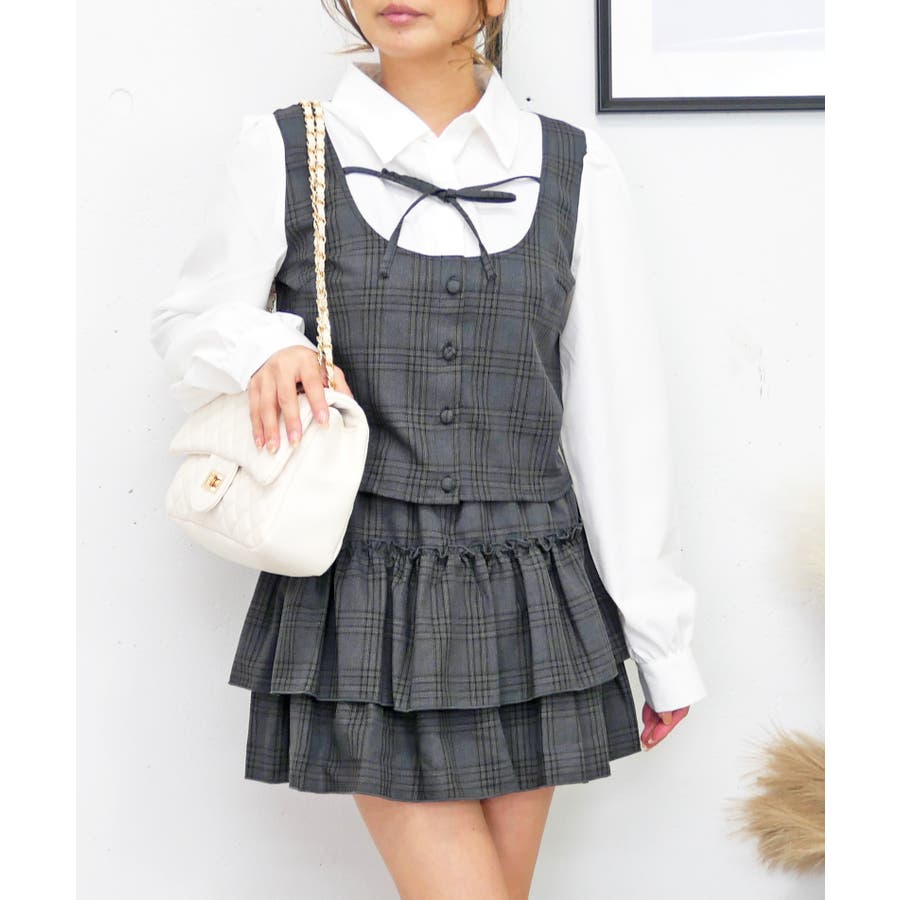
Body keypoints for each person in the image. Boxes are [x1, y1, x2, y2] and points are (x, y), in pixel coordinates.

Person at [149, 1, 708, 896]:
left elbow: (619, 416)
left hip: (531, 585)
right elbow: (187, 321)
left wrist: (660, 639)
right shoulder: (288, 148)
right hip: (366, 583)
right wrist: (264, 347)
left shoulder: (574, 166)